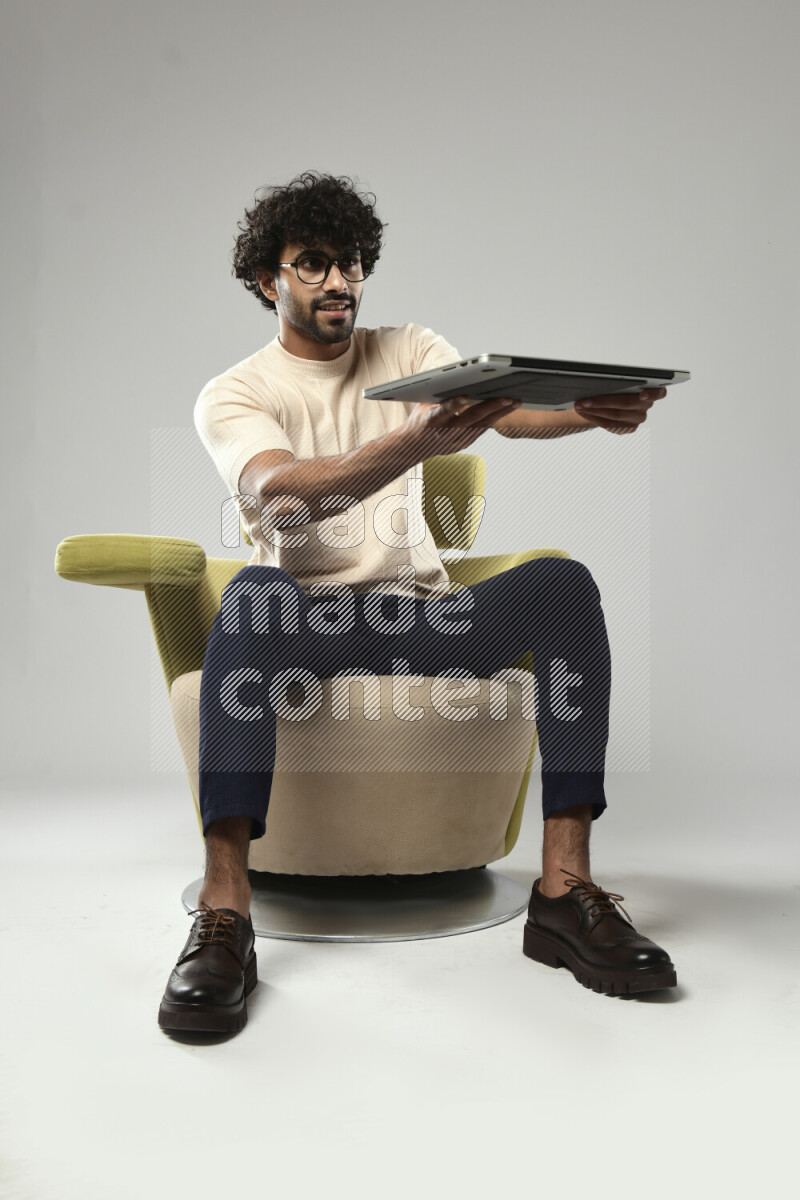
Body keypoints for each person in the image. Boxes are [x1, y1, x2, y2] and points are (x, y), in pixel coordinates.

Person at [157, 171, 676, 1036]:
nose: (339, 281)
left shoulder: (407, 348)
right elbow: (283, 496)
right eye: (313, 263)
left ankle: (565, 891)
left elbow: (505, 415)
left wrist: (582, 409)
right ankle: (225, 912)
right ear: (267, 281)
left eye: (352, 262)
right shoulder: (236, 391)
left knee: (562, 586)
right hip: (307, 622)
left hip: (420, 618)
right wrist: (409, 445)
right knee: (250, 600)